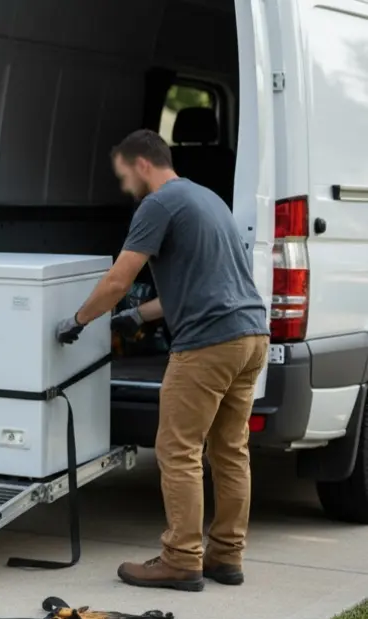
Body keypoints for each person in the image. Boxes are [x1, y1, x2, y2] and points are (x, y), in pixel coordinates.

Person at [56, 129, 269, 592]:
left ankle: (180, 559)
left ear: (141, 164)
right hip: (251, 337)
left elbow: (118, 277)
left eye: (123, 175)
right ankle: (226, 557)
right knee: (230, 451)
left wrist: (79, 320)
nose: (124, 186)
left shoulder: (158, 204)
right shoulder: (206, 199)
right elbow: (204, 284)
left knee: (177, 451)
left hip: (208, 345)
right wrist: (135, 317)